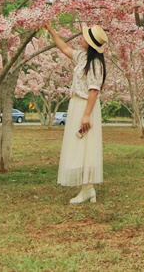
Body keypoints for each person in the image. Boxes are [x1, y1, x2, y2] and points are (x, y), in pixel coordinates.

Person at [45, 21, 108, 204]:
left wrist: (86, 114)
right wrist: (51, 30)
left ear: (91, 43)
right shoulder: (82, 57)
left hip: (85, 106)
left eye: (86, 37)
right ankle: (88, 189)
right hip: (77, 105)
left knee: (85, 147)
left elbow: (94, 90)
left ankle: (87, 189)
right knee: (78, 145)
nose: (82, 39)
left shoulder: (95, 63)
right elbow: (64, 48)